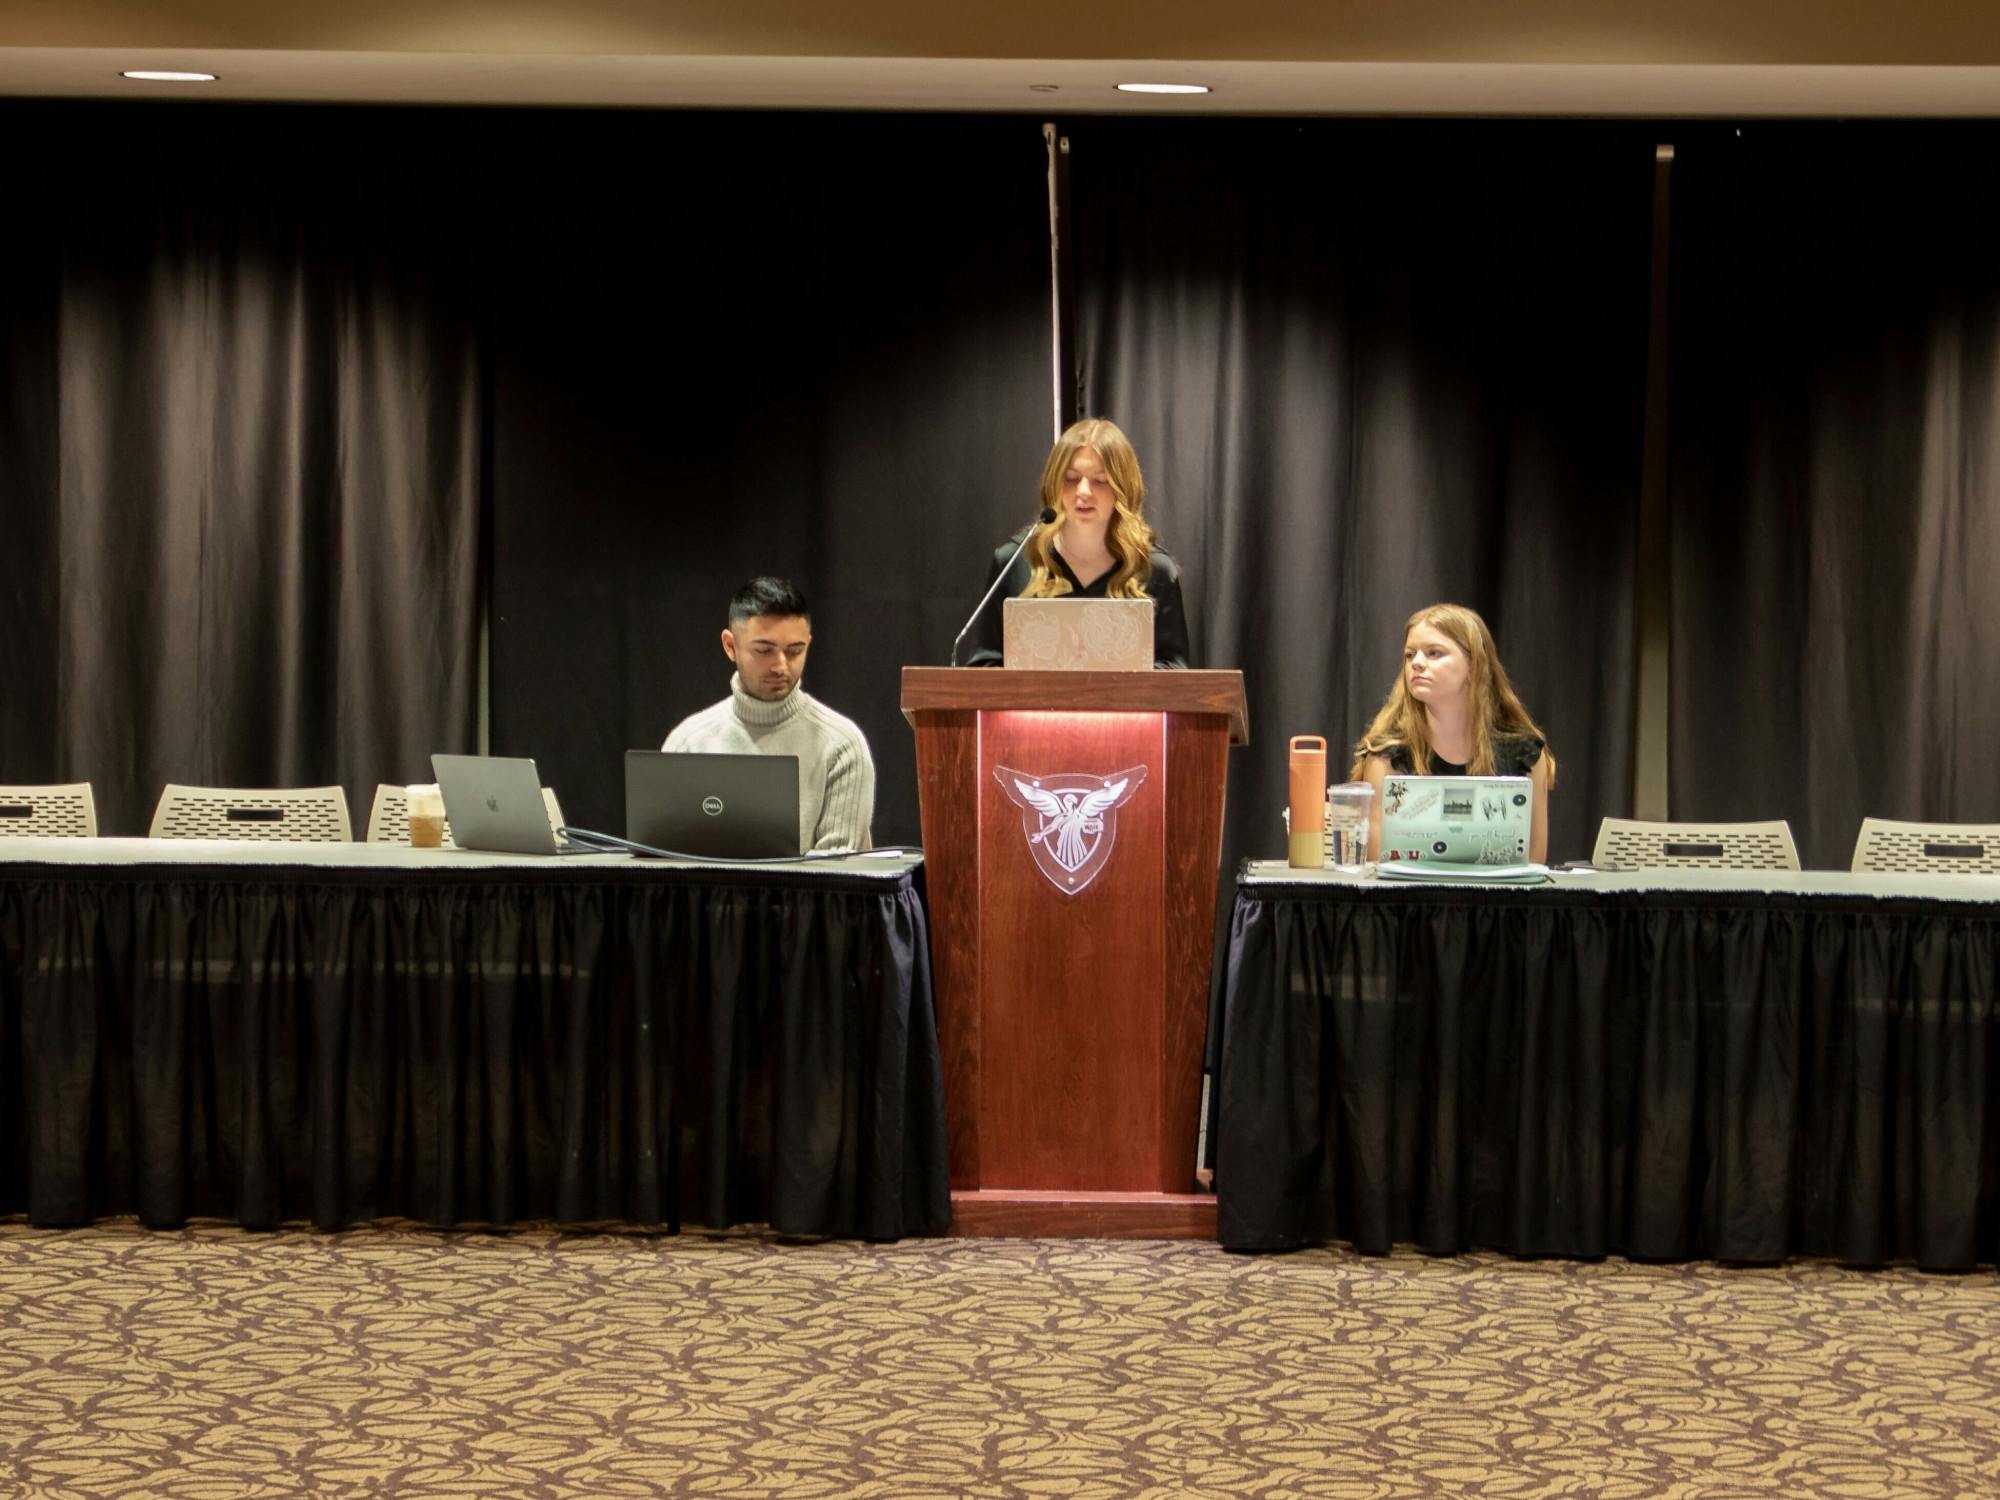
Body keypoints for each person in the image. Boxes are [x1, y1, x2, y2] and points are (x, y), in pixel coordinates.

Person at [662, 576, 875, 852]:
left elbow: (836, 879)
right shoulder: (687, 743)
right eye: (764, 650)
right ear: (730, 646)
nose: (780, 665)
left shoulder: (842, 745)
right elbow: (667, 864)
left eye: (795, 650)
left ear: (808, 643)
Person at [961, 417, 1191, 668]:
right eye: (1071, 478)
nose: (1083, 491)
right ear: (1054, 483)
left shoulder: (1154, 569)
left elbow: (1175, 675)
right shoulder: (1014, 562)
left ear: (1122, 489)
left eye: (1100, 480)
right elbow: (983, 667)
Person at [1351, 603, 1556, 864]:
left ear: (1474, 665)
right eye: (1410, 655)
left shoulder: (1525, 754)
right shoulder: (1386, 755)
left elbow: (1534, 862)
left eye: (1434, 653)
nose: (1417, 664)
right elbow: (1377, 863)